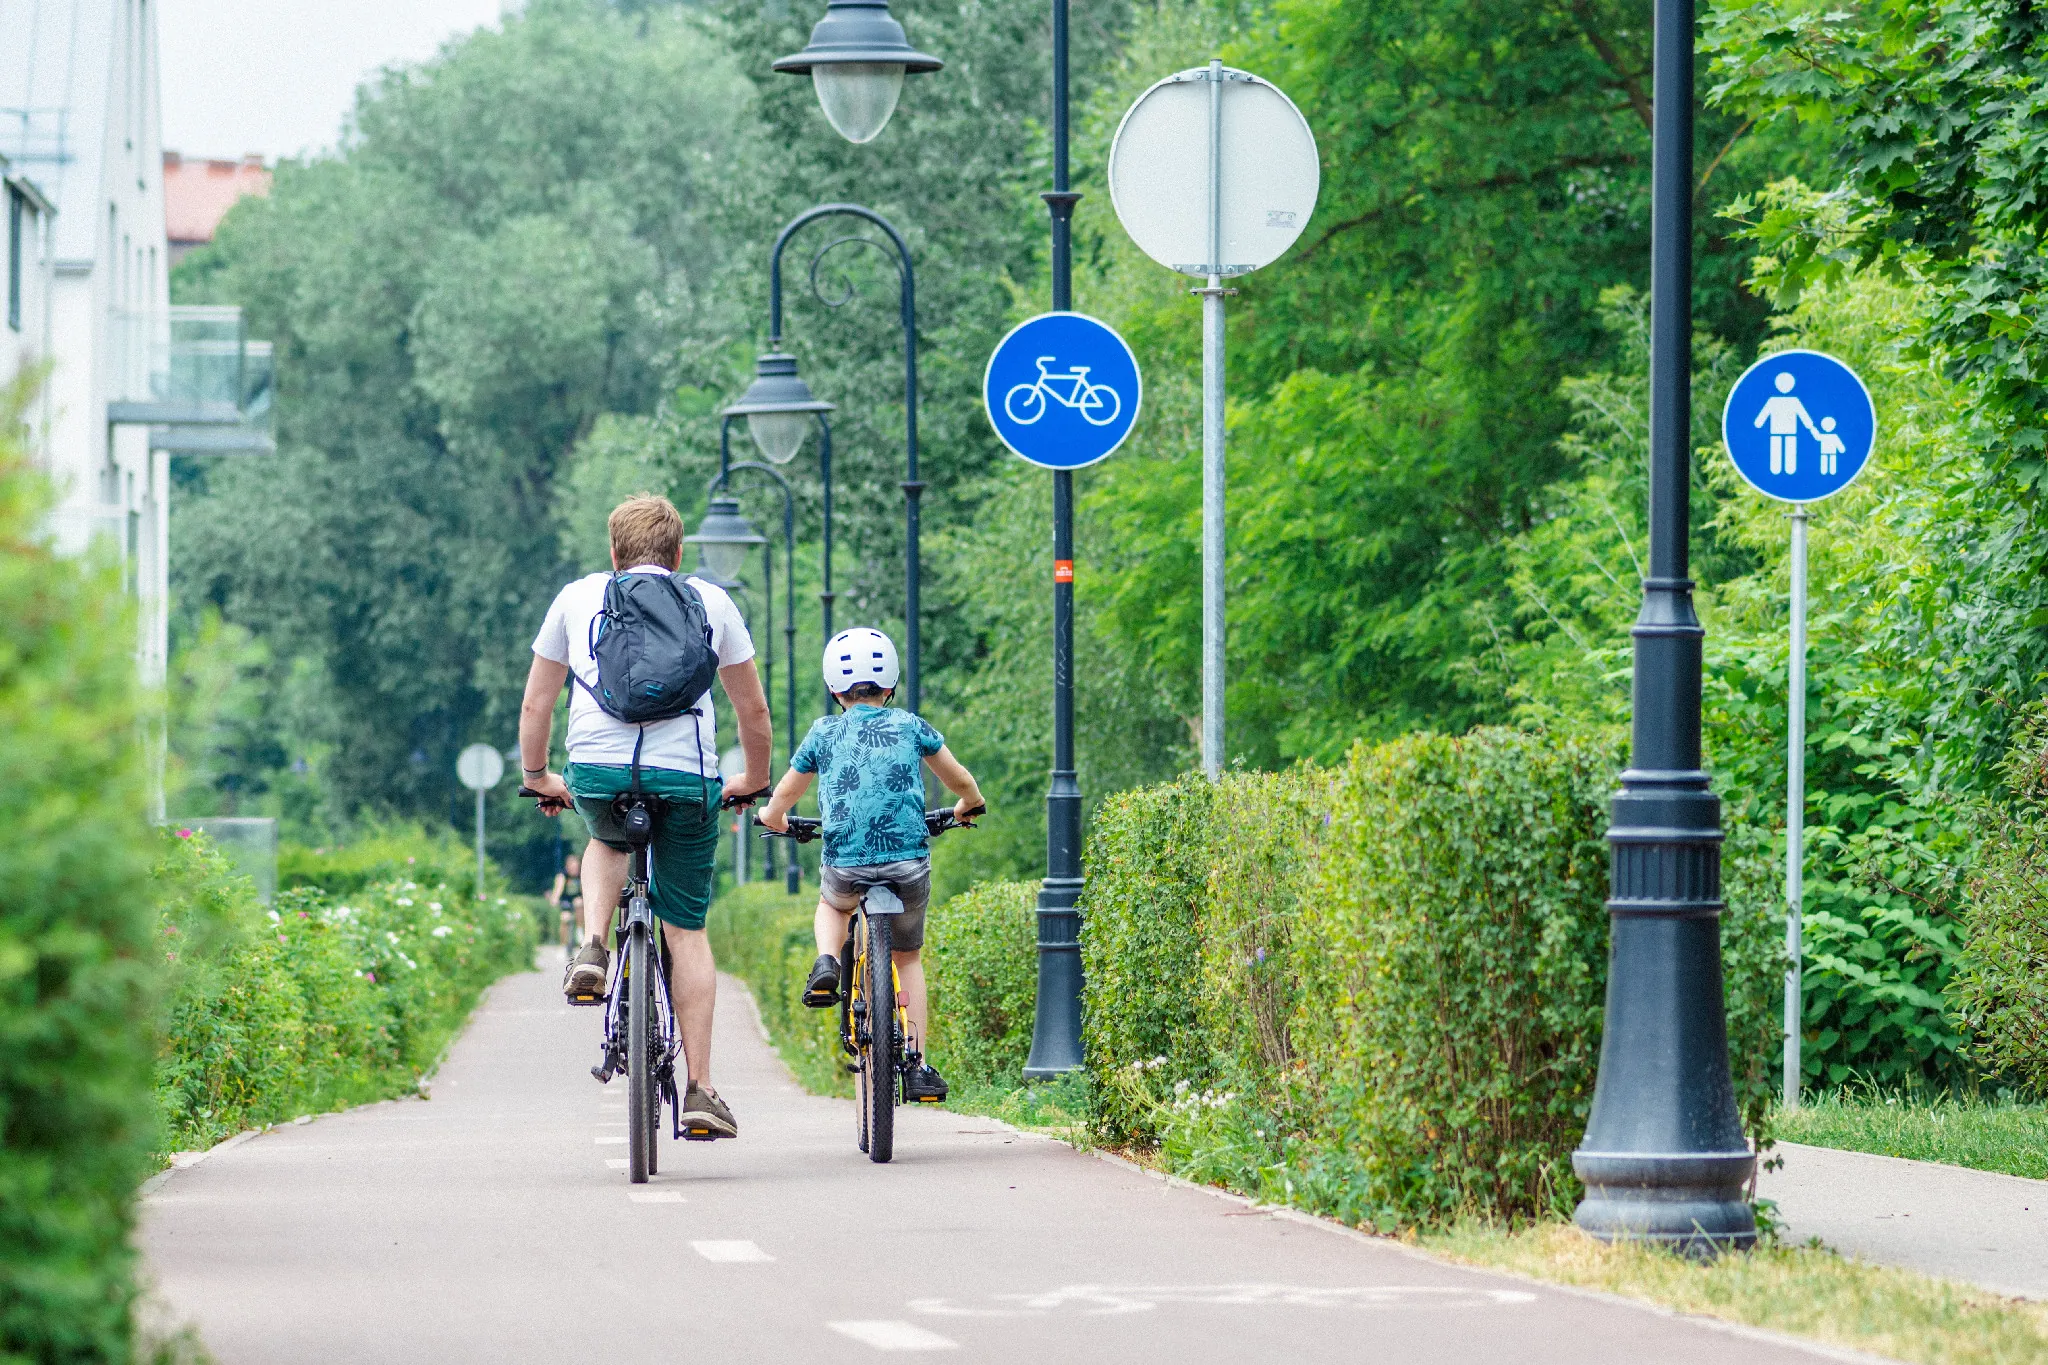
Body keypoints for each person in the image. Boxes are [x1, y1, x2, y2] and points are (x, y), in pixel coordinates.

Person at [517, 493, 772, 1140]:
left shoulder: (577, 597)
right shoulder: (712, 602)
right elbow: (753, 713)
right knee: (685, 928)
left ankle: (596, 943)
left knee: (606, 834)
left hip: (599, 771)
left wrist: (538, 776)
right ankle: (701, 1090)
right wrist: (754, 780)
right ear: (679, 554)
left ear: (614, 552)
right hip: (688, 778)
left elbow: (537, 704)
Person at [756, 628, 984, 1103]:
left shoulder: (823, 732)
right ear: (891, 686)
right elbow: (960, 779)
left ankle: (825, 961)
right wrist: (969, 804)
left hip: (846, 862)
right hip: (907, 864)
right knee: (908, 956)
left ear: (834, 689)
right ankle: (918, 1063)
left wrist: (773, 819)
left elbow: (786, 794)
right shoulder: (911, 726)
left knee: (833, 905)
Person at [548, 851, 583, 951]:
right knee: (565, 919)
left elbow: (583, 890)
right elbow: (558, 889)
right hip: (565, 901)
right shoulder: (562, 875)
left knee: (579, 903)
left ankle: (579, 930)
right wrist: (554, 899)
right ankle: (563, 945)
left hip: (577, 900)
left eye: (576, 867)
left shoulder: (581, 875)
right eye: (572, 867)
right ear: (567, 866)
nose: (574, 869)